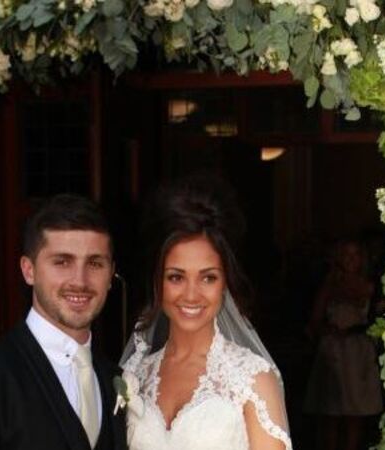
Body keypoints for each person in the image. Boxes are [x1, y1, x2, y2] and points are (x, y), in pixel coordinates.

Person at [0, 194, 127, 450]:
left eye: (95, 263)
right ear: (29, 270)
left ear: (110, 274)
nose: (80, 281)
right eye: (62, 262)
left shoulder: (117, 379)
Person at [120, 177, 293, 450]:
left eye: (208, 278)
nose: (191, 294)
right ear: (157, 282)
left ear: (225, 283)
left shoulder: (252, 379)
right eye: (176, 277)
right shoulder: (137, 373)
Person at [303, 239, 383, 450]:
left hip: (358, 350)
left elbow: (377, 317)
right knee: (332, 410)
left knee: (355, 409)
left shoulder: (370, 284)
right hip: (335, 350)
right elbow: (315, 320)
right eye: (346, 254)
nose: (350, 259)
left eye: (355, 255)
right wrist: (329, 330)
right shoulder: (330, 285)